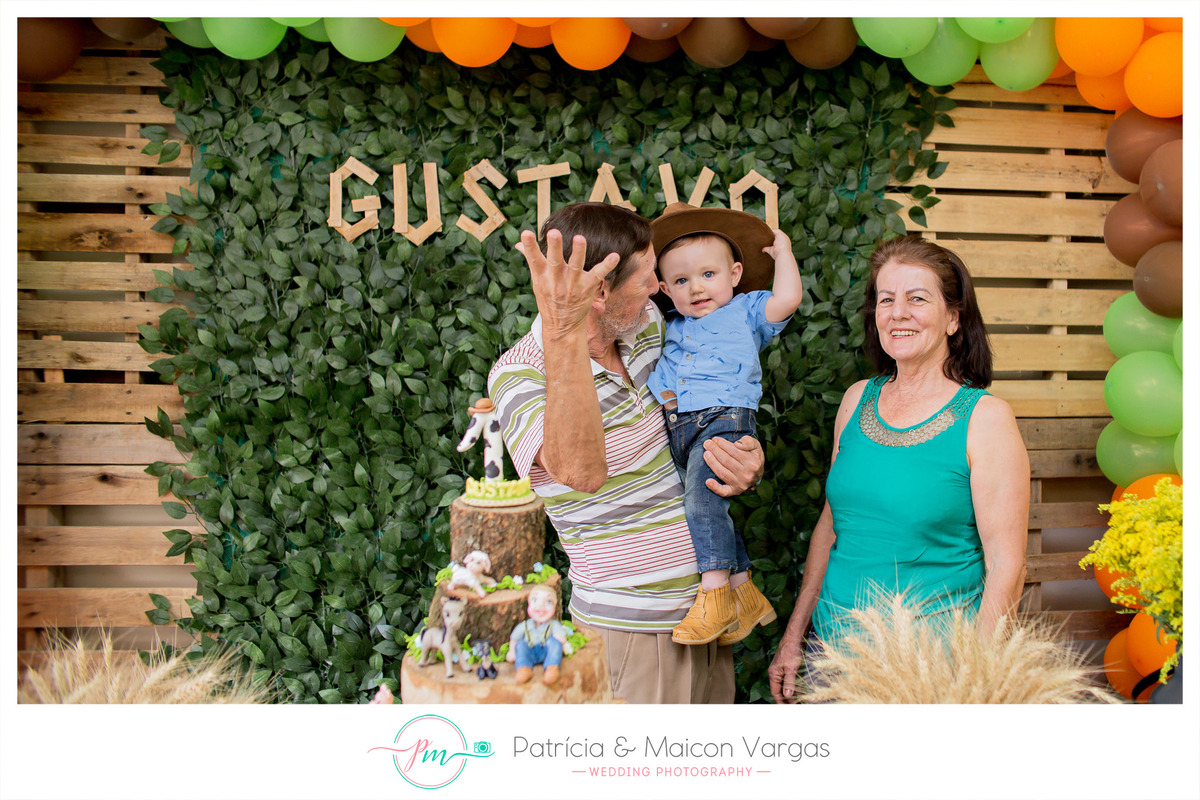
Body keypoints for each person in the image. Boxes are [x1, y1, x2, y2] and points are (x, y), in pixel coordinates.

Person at [488, 201, 764, 704]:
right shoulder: (520, 374)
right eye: (646, 278)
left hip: (710, 612)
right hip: (631, 632)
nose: (659, 287)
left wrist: (741, 455)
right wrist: (565, 330)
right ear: (599, 294)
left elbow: (714, 393)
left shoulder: (647, 325)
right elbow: (580, 472)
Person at [767, 235, 1029, 703]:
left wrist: (976, 680)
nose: (898, 313)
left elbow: (1006, 566)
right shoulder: (856, 399)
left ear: (953, 318)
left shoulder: (986, 418)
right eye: (886, 300)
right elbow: (831, 525)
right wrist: (794, 637)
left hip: (931, 672)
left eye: (917, 299)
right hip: (833, 659)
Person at [646, 204, 803, 645]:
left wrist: (784, 255)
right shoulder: (670, 324)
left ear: (735, 274)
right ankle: (745, 593)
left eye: (708, 274)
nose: (696, 287)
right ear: (664, 288)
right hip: (681, 426)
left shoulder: (745, 310)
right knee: (708, 505)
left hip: (725, 418)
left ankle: (714, 596)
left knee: (702, 503)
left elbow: (787, 299)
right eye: (681, 281)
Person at [507, 584, 571, 686]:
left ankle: (552, 667)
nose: (541, 606)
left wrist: (561, 639)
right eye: (535, 600)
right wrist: (512, 651)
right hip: (530, 652)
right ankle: (524, 668)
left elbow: (561, 638)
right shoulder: (524, 626)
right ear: (529, 605)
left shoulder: (553, 625)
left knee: (554, 643)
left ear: (554, 607)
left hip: (546, 652)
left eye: (548, 602)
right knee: (520, 644)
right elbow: (514, 639)